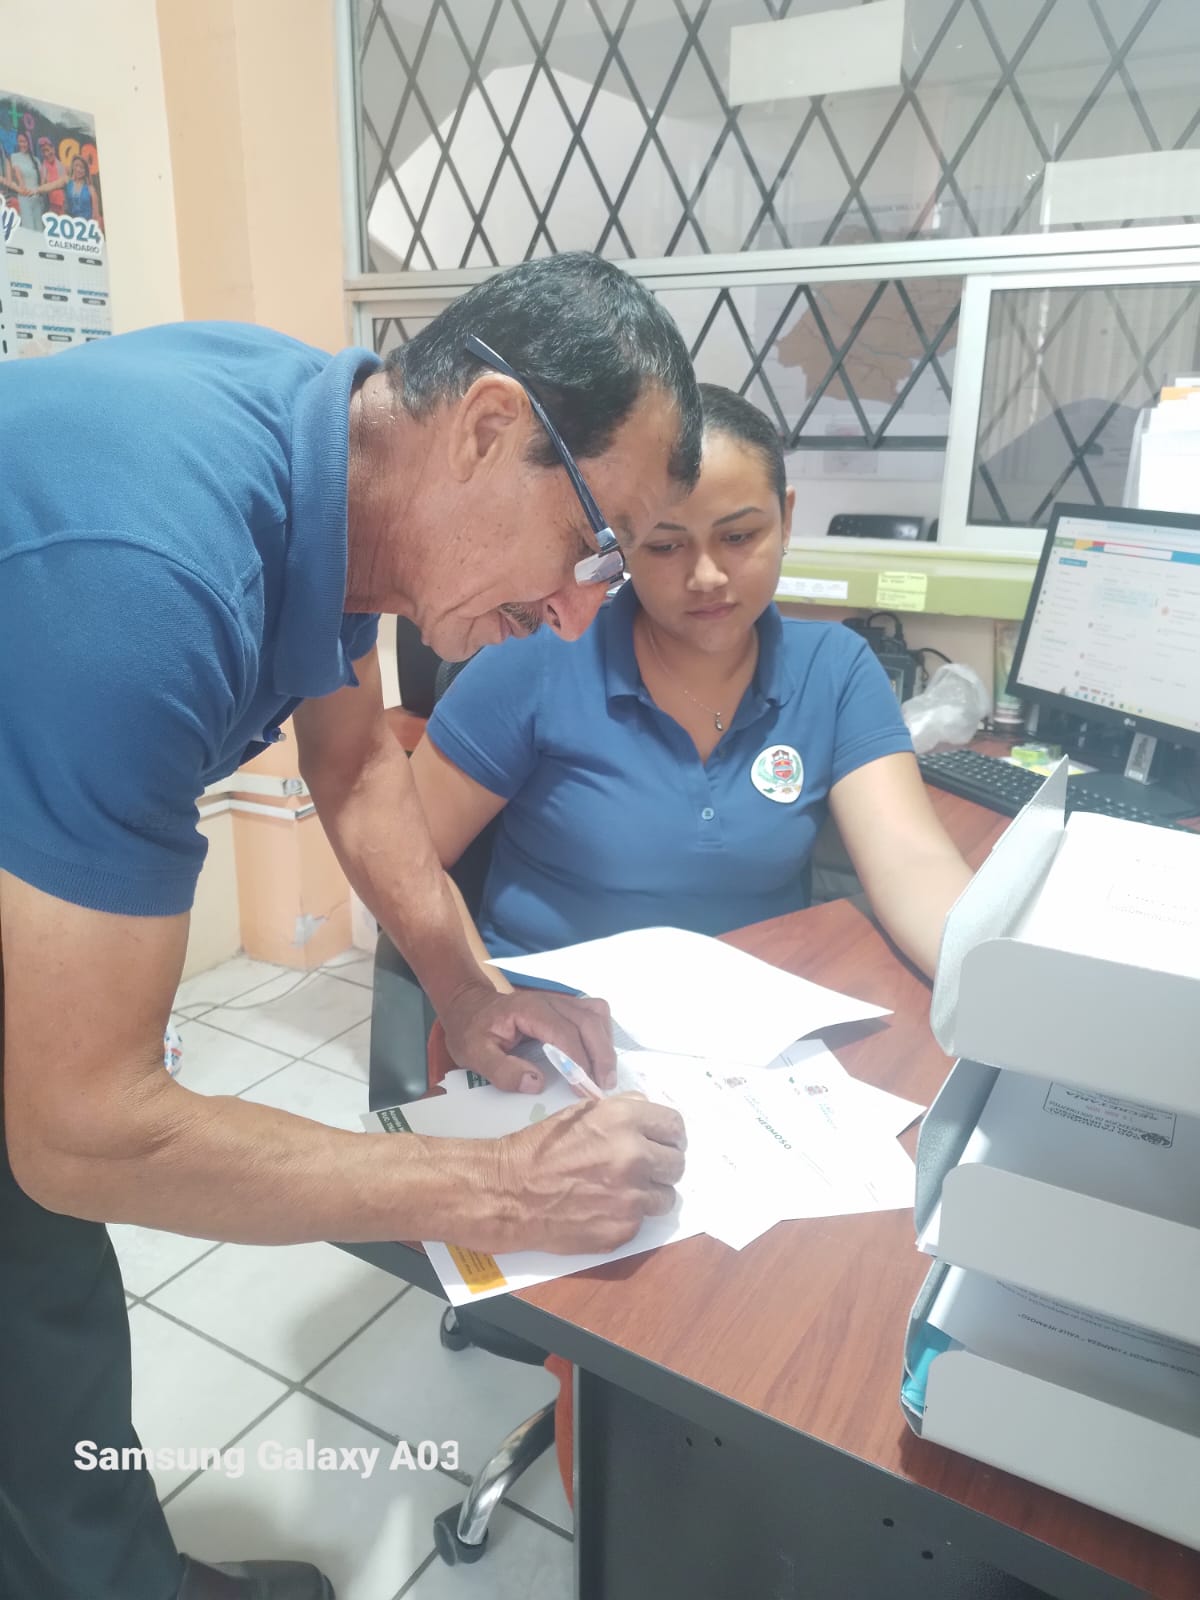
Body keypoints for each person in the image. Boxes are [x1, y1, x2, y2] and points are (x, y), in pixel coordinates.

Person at [0, 253, 700, 1600]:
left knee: (38, 1293)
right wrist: (504, 1190)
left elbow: (356, 755)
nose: (576, 614)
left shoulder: (341, 459)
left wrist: (467, 989)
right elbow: (85, 1130)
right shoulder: (150, 578)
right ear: (488, 426)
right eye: (594, 545)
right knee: (38, 1216)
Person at [409, 384, 975, 1500]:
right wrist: (473, 993)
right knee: (646, 1320)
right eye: (664, 546)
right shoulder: (540, 660)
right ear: (618, 546)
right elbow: (404, 856)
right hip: (547, 1045)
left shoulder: (832, 671)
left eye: (740, 535)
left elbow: (912, 863)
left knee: (833, 1293)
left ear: (789, 518)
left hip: (749, 1055)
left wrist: (1007, 991)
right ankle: (630, 1507)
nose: (707, 576)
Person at [0, 130, 45, 230]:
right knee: (29, 228)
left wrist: (40, 191)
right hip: (24, 197)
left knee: (39, 229)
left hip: (37, 199)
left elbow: (42, 179)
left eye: (25, 141)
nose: (23, 144)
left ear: (28, 142)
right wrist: (22, 187)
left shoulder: (36, 160)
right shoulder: (14, 157)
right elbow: (17, 171)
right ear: (17, 143)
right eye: (20, 141)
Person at [64, 152, 101, 225]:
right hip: (71, 224)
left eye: (82, 167)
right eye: (76, 166)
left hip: (86, 225)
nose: (78, 169)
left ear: (86, 171)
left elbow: (96, 215)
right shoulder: (68, 182)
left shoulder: (90, 189)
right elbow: (50, 186)